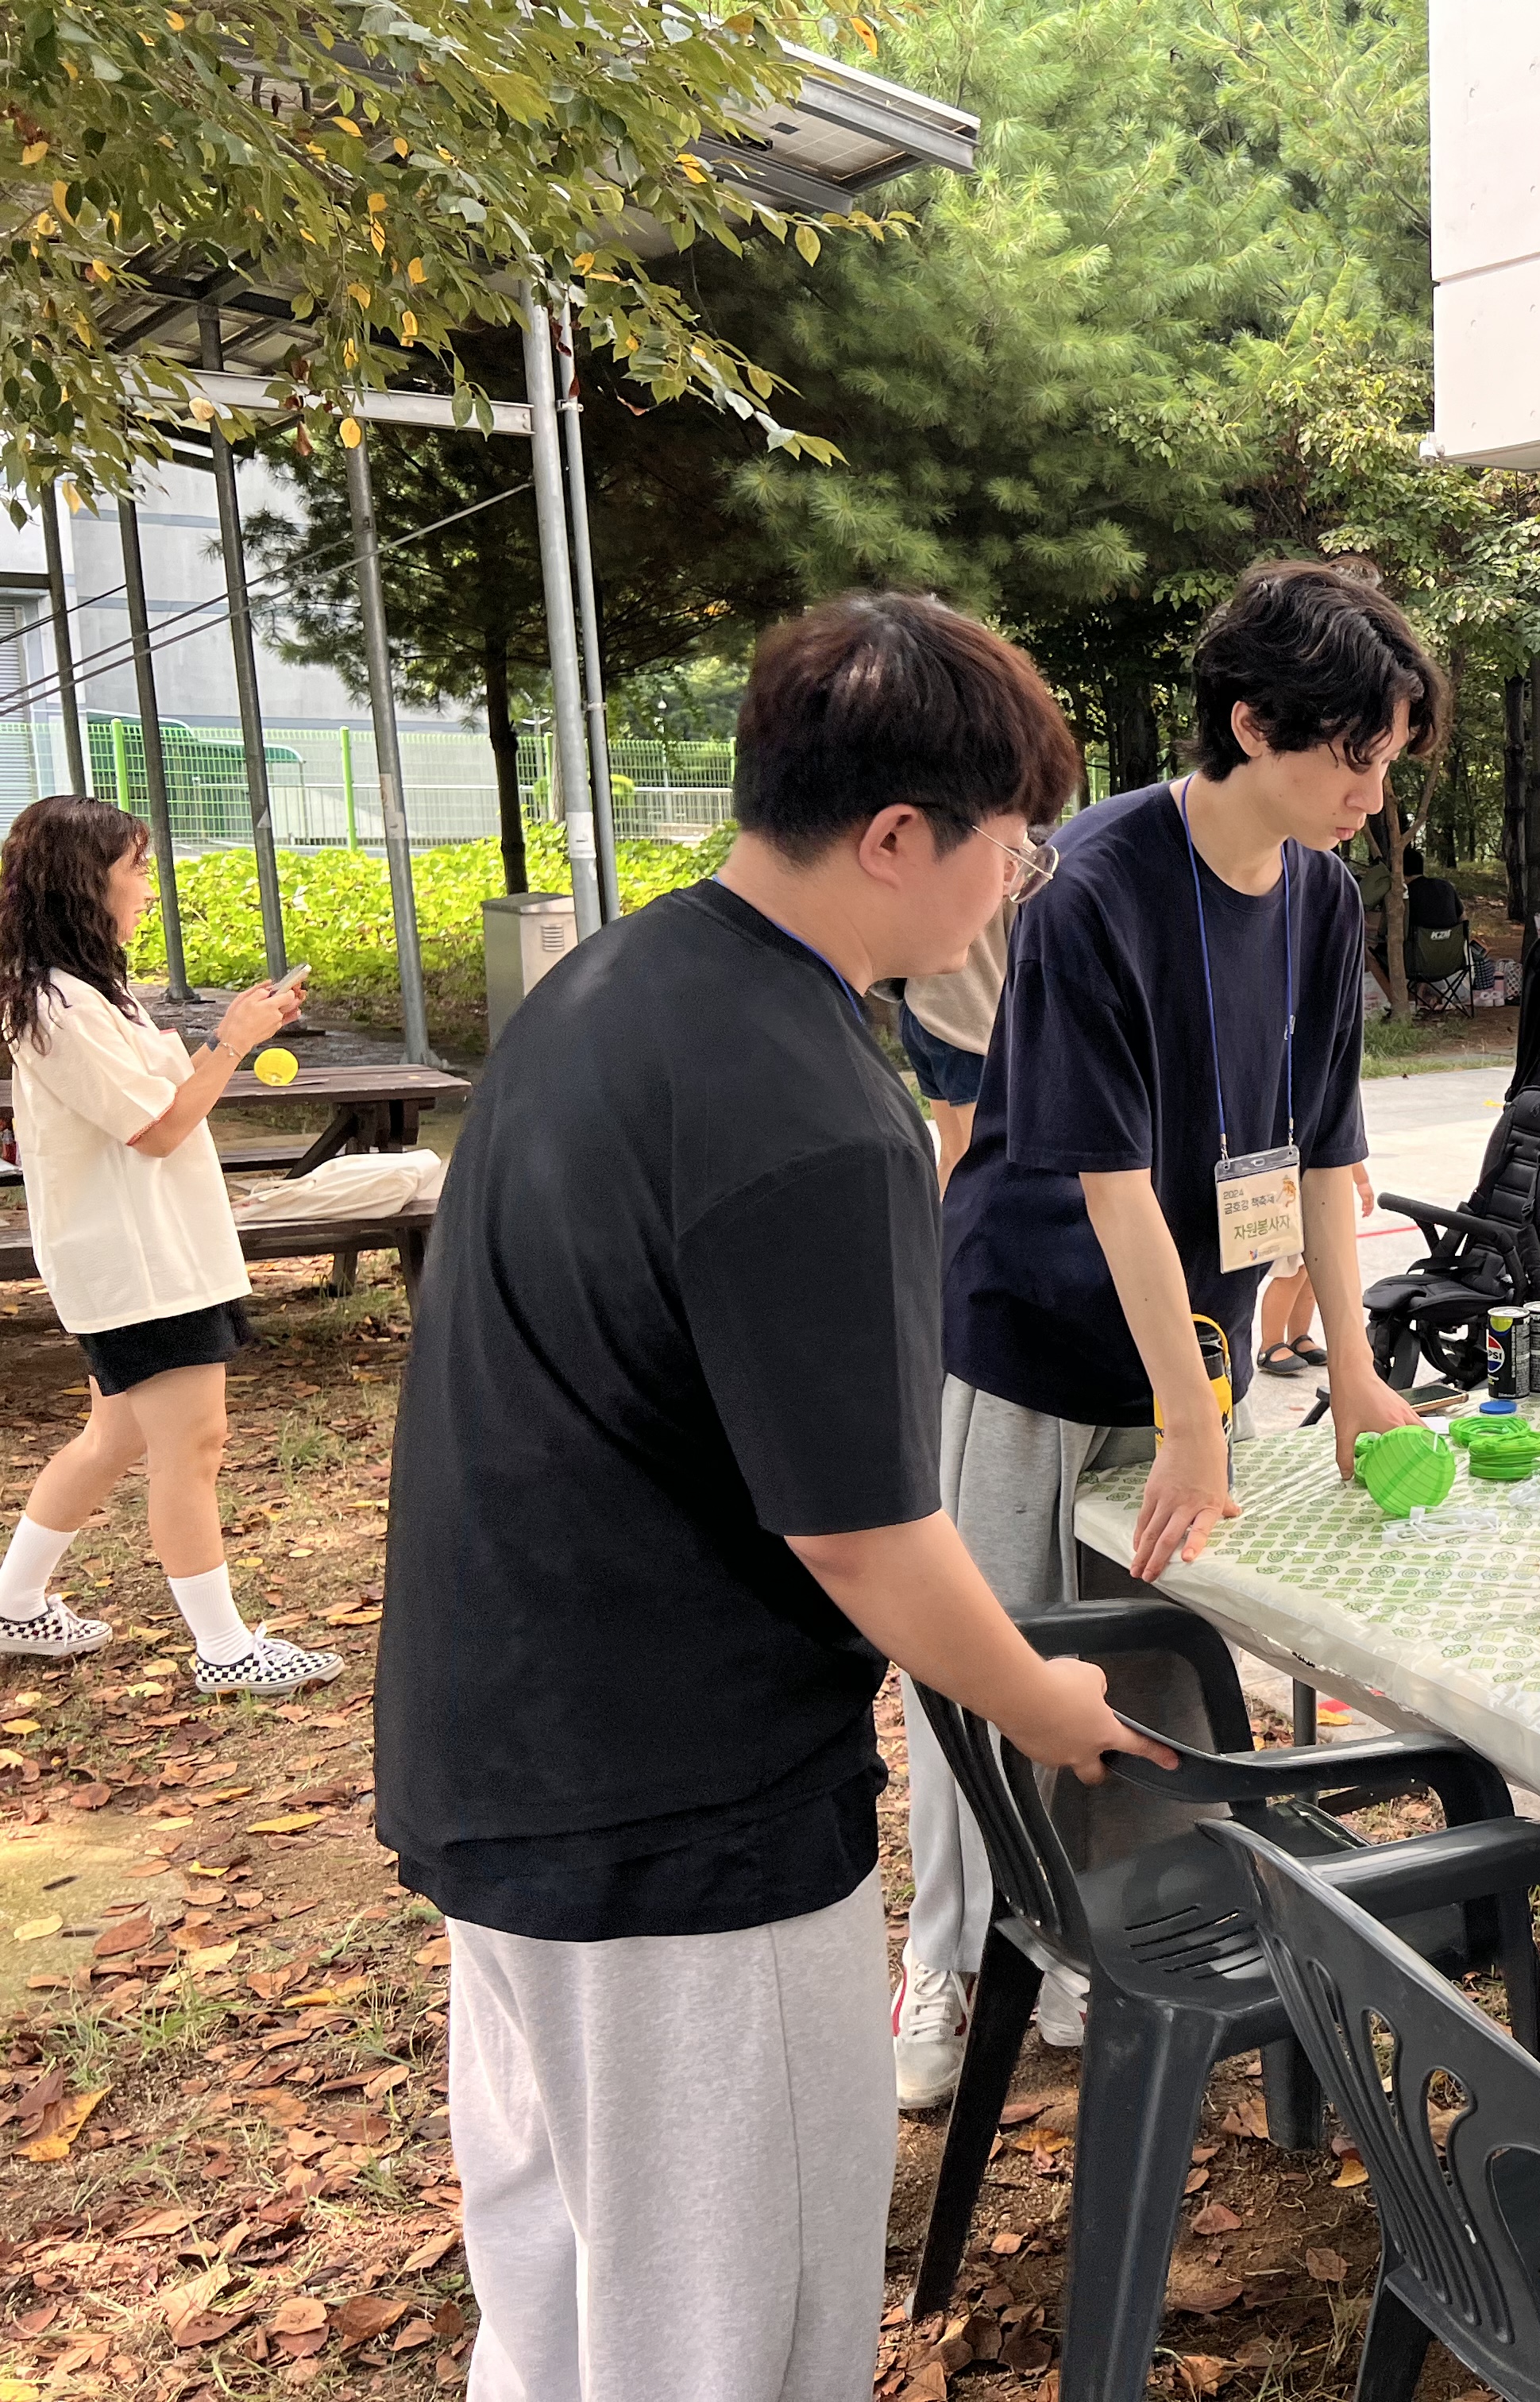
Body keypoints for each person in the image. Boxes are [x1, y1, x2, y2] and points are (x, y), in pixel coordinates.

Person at [375, 593, 1163, 2402]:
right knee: (728, 2332)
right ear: (896, 837)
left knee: (565, 2300)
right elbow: (866, 1535)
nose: (1019, 881)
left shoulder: (610, 990)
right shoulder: (813, 1105)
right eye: (1009, 840)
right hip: (682, 1831)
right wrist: (1044, 1699)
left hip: (500, 1762)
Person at [898, 561, 1438, 2109]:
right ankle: (947, 1958)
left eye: (1391, 760)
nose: (1372, 793)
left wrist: (1352, 1372)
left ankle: (1092, 1945)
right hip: (1035, 1324)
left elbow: (1325, 1154)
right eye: (1355, 755)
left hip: (1195, 1339)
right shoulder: (1093, 881)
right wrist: (1193, 1419)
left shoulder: (1323, 899)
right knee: (996, 1655)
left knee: (1146, 1666)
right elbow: (1111, 1182)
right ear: (1253, 722)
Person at [0, 794, 333, 1694]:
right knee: (193, 1444)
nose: (149, 888)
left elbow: (155, 1099)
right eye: (136, 869)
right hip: (134, 1263)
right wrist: (230, 1043)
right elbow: (156, 1130)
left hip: (153, 1251)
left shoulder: (87, 991)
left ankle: (15, 1601)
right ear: (86, 882)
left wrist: (235, 1033)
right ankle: (224, 1648)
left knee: (113, 1436)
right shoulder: (56, 1004)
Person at [896, 730, 1083, 1187]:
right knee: (981, 1167)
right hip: (970, 1024)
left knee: (954, 1154)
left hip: (923, 1010)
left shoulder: (942, 832)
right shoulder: (1015, 854)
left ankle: (938, 1237)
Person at [1256, 1158, 1376, 1376]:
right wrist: (1362, 1181)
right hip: (1289, 1196)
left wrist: (1362, 1181)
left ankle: (1298, 1336)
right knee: (1291, 1272)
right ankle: (1270, 1344)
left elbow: (1346, 1147)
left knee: (1311, 1272)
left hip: (1318, 1197)